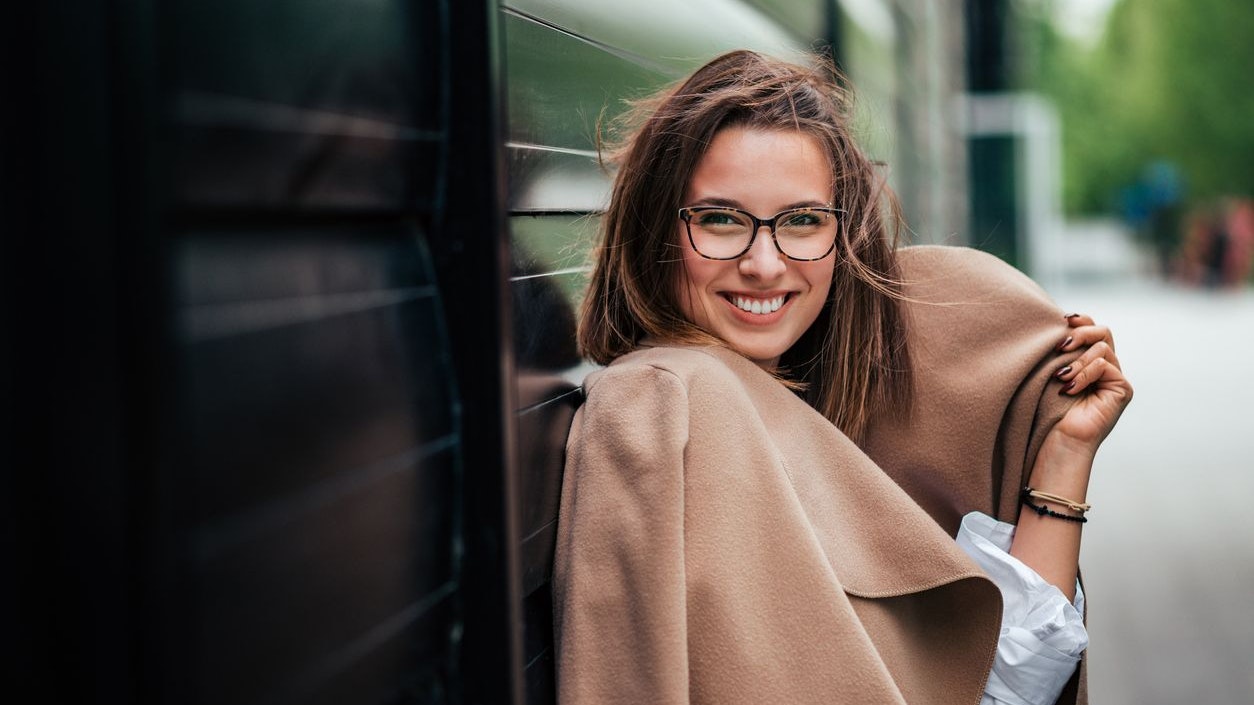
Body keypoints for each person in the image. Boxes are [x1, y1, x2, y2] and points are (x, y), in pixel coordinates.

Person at [553, 50, 1132, 705]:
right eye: (720, 218)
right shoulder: (661, 402)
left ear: (842, 237)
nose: (764, 263)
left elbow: (999, 691)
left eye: (802, 221)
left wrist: (1065, 454)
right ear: (660, 228)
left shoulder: (816, 418)